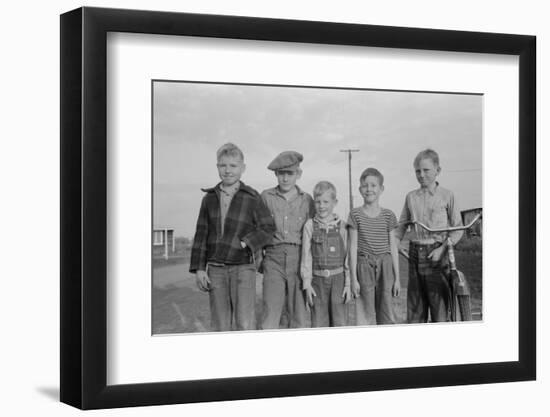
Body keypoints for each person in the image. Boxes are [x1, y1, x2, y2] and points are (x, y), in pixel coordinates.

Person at [189, 143, 275, 331]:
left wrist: (246, 242)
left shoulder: (251, 197)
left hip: (243, 268)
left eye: (233, 166)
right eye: (223, 165)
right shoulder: (209, 198)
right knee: (220, 324)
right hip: (216, 269)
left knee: (245, 322)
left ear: (242, 168)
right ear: (217, 167)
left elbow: (268, 229)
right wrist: (199, 269)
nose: (228, 170)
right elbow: (201, 234)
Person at [394, 149, 464, 323]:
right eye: (418, 171)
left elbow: (458, 228)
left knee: (439, 309)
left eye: (426, 170)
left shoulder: (447, 196)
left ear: (437, 170)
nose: (421, 175)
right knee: (415, 310)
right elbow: (401, 226)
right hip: (415, 255)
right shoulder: (411, 197)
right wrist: (395, 243)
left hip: (437, 256)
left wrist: (442, 249)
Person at [260, 151, 315, 329]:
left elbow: (313, 233)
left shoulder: (307, 200)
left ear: (298, 174)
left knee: (298, 313)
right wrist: (260, 259)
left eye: (290, 173)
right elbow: (257, 229)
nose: (285, 178)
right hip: (273, 257)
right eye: (281, 173)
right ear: (276, 174)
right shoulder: (266, 197)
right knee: (270, 312)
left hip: (298, 257)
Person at [348, 168, 400, 325]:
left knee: (387, 311)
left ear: (381, 189)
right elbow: (352, 248)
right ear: (360, 189)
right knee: (365, 313)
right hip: (364, 266)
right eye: (365, 185)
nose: (369, 189)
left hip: (385, 265)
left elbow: (393, 248)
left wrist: (397, 278)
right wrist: (353, 279)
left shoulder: (388, 215)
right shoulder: (355, 214)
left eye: (373, 185)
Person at [301, 181, 351, 327]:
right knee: (318, 323)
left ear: (335, 202)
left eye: (325, 202)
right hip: (317, 281)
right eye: (317, 202)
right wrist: (307, 283)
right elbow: (306, 256)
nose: (321, 206)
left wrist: (348, 284)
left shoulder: (342, 226)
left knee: (339, 321)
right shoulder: (309, 225)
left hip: (339, 281)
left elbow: (347, 257)